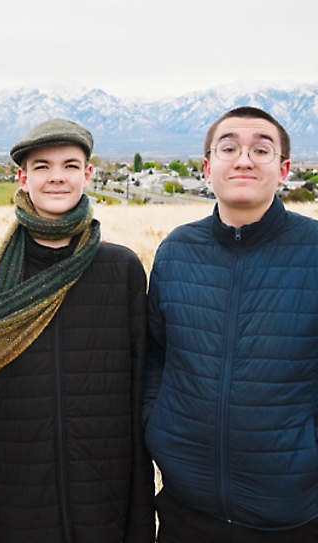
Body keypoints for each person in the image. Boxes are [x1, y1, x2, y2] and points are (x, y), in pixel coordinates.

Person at [0, 118, 155, 543]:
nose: (57, 177)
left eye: (70, 165)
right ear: (23, 177)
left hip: (104, 490)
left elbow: (139, 393)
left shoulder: (120, 271)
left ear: (88, 174)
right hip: (13, 495)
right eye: (42, 166)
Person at [144, 106, 318, 542]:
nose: (243, 159)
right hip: (186, 510)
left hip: (294, 517)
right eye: (229, 148)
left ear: (283, 169)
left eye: (261, 148)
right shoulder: (177, 250)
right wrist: (158, 425)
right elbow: (156, 355)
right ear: (207, 167)